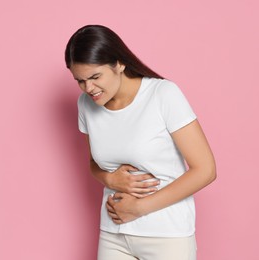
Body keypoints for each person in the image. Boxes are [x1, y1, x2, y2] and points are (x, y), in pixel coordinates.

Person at [64, 24, 216, 260]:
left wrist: (138, 208)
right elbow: (94, 162)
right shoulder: (86, 104)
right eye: (80, 81)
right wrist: (109, 178)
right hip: (113, 234)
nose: (88, 89)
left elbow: (205, 170)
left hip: (167, 236)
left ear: (119, 63)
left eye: (95, 77)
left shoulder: (162, 94)